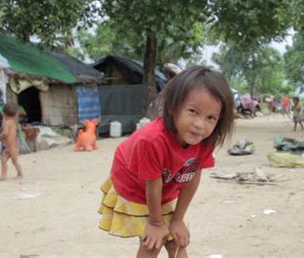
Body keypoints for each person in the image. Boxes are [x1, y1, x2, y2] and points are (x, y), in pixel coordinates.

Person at [98, 66, 235, 257]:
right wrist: (156, 223)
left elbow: (192, 179)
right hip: (136, 184)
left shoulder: (205, 140)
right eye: (193, 111)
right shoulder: (152, 140)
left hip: (166, 182)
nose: (200, 125)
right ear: (172, 107)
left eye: (210, 117)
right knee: (152, 243)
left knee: (178, 242)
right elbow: (153, 185)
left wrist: (178, 220)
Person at [0, 102, 23, 180]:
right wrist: (4, 116)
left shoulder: (7, 123)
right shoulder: (11, 121)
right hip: (9, 147)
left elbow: (5, 133)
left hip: (12, 147)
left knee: (15, 161)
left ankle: (20, 174)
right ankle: (3, 175)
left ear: (4, 113)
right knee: (3, 160)